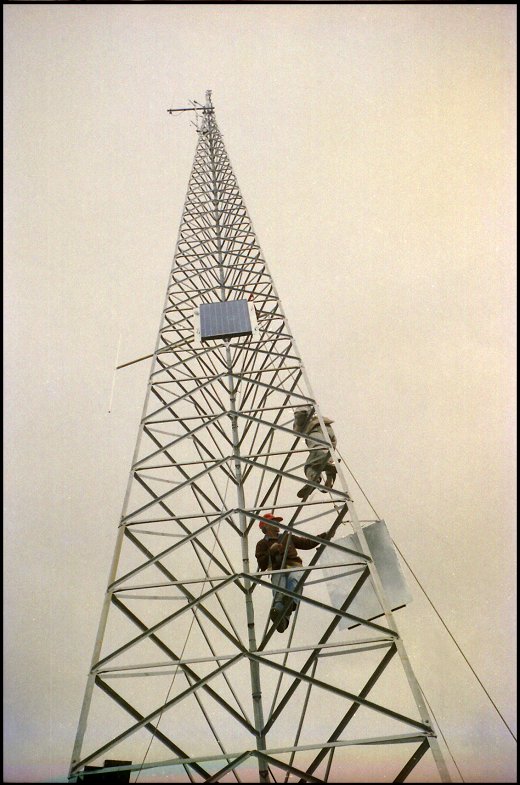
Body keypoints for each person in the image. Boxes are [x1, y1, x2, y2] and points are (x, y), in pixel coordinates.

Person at [255, 512, 340, 632]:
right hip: (277, 570)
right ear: (266, 526)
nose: (278, 524)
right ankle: (283, 619)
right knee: (280, 591)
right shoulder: (262, 544)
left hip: (294, 566)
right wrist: (271, 551)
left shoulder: (287, 536)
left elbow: (307, 543)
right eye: (274, 522)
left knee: (294, 582)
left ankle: (283, 610)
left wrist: (325, 536)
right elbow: (262, 564)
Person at [293, 406, 338, 501]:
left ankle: (314, 479)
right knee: (325, 456)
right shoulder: (322, 422)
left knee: (309, 465)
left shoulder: (311, 426)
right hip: (328, 438)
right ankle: (330, 476)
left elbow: (300, 414)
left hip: (317, 436)